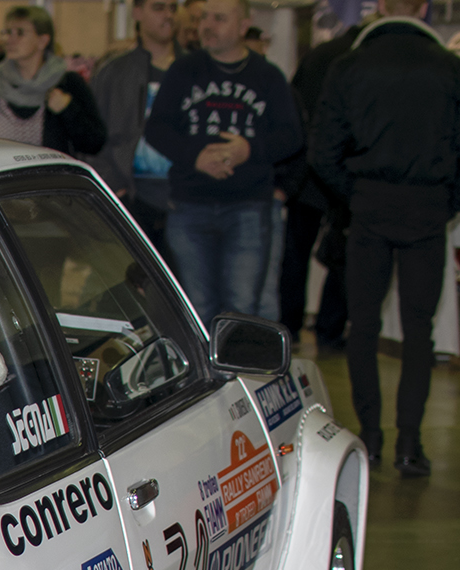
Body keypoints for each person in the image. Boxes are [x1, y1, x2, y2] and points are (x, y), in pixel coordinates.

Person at [311, 0, 460, 476]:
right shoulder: (450, 69)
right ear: (422, 8)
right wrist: (444, 201)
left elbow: (323, 151)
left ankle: (370, 436)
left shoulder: (349, 66)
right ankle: (410, 444)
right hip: (428, 208)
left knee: (364, 326)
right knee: (420, 331)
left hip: (370, 206)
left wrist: (355, 195)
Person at [142, 0, 301, 327]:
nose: (207, 26)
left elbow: (291, 136)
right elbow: (156, 128)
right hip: (190, 205)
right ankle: (205, 378)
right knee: (197, 307)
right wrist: (195, 156)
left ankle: (236, 377)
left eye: (219, 18)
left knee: (242, 306)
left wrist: (248, 150)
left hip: (247, 206)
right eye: (204, 18)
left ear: (243, 26)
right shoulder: (184, 70)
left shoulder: (267, 76)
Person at [281, 17, 363, 346]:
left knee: (296, 254)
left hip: (307, 169)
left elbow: (295, 102)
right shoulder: (359, 59)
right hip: (340, 168)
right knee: (343, 253)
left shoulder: (319, 54)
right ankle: (330, 328)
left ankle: (288, 325)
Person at [88, 0, 182, 258]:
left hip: (186, 202)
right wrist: (111, 185)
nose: (168, 15)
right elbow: (92, 138)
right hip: (131, 197)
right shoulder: (114, 73)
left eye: (173, 8)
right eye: (159, 7)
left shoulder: (194, 70)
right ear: (138, 13)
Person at [0, 8, 105, 158]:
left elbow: (94, 144)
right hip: (0, 180)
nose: (10, 39)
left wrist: (68, 110)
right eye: (7, 32)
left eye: (20, 33)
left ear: (43, 41)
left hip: (49, 180)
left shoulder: (67, 83)